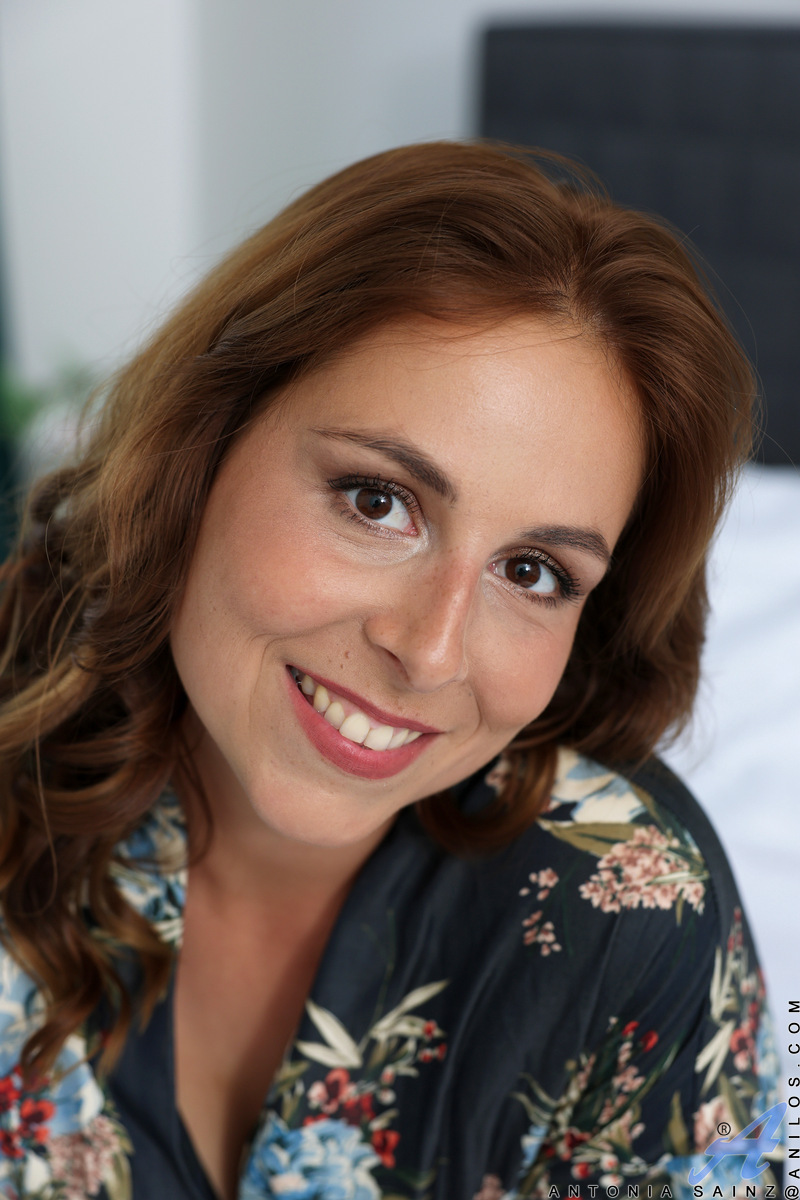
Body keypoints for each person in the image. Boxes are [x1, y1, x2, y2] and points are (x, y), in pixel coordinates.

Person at [0, 142, 784, 1200]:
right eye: (378, 502)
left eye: (532, 572)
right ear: (205, 439)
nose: (430, 650)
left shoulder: (633, 911)